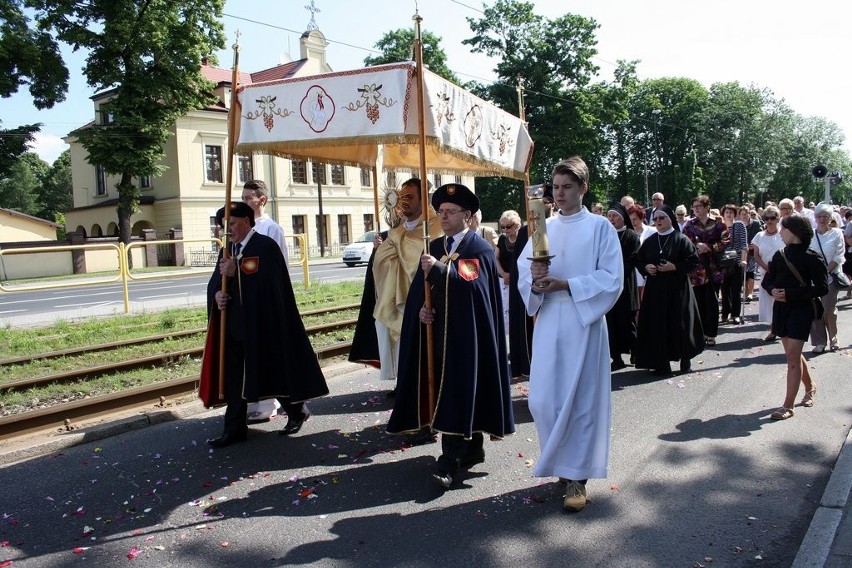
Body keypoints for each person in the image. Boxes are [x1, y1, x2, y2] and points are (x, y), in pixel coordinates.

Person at [387, 183, 515, 489]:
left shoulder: (477, 248)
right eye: (441, 211)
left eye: (450, 212)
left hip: (467, 337)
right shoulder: (433, 248)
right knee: (451, 393)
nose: (443, 216)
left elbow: (472, 285)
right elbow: (421, 291)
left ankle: (448, 461)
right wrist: (420, 311)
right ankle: (472, 449)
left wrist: (441, 272)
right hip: (439, 336)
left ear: (467, 215)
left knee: (459, 391)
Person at [517, 157, 623, 513]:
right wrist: (535, 277)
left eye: (567, 187)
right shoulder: (540, 228)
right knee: (543, 400)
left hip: (583, 321)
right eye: (556, 187)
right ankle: (563, 464)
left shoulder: (599, 228)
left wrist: (566, 284)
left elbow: (612, 278)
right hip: (549, 319)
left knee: (580, 401)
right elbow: (523, 279)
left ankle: (576, 478)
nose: (559, 193)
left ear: (583, 189)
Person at [200, 202, 329, 447]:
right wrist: (217, 294)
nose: (228, 231)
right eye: (224, 227)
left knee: (273, 370)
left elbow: (267, 285)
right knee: (234, 378)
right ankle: (234, 428)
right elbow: (215, 283)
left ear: (247, 222)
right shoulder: (227, 250)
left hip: (263, 325)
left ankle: (296, 411)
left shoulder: (265, 247)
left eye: (233, 224)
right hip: (235, 327)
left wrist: (235, 271)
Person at [371, 179, 442, 388]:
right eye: (402, 197)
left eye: (409, 197)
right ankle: (403, 383)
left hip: (421, 298)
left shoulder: (434, 226)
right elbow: (379, 264)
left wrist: (397, 245)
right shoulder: (396, 229)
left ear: (423, 199)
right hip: (393, 298)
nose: (404, 202)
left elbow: (418, 257)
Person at [761, 215, 828, 420]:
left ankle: (788, 406)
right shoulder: (780, 255)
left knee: (792, 356)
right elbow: (767, 281)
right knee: (793, 354)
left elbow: (822, 287)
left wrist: (791, 294)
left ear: (795, 232)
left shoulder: (812, 257)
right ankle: (810, 386)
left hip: (801, 310)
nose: (780, 232)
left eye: (783, 229)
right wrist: (773, 291)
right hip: (781, 310)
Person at [634, 205, 704, 375]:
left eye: (661, 218)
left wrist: (675, 267)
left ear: (670, 219)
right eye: (655, 219)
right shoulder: (650, 241)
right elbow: (638, 260)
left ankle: (685, 360)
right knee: (658, 324)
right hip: (656, 290)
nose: (657, 221)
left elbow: (694, 262)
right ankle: (661, 363)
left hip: (677, 290)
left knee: (680, 324)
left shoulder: (681, 239)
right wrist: (647, 268)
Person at [240, 179, 288, 422]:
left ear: (262, 200)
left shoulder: (271, 229)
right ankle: (253, 400)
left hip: (269, 298)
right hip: (249, 300)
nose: (245, 201)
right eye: (243, 198)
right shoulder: (241, 227)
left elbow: (280, 267)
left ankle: (270, 403)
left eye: (249, 197)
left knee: (269, 349)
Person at [682, 195, 729, 346]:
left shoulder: (718, 224)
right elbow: (684, 243)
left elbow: (726, 240)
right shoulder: (689, 225)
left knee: (712, 302)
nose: (696, 209)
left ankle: (711, 333)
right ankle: (700, 332)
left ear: (707, 207)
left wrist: (709, 247)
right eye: (694, 206)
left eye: (699, 206)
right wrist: (696, 247)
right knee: (699, 302)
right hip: (696, 270)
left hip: (714, 269)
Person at [604, 202, 640, 371]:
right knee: (611, 322)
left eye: (614, 216)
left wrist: (615, 273)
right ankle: (616, 357)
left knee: (628, 321)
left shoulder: (631, 236)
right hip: (608, 286)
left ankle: (635, 351)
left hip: (626, 284)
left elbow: (632, 259)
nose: (611, 219)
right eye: (609, 216)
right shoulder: (605, 235)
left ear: (622, 217)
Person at [809, 203, 845, 352]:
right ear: (815, 218)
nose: (822, 219)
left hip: (830, 276)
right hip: (812, 279)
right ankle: (819, 342)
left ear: (830, 218)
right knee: (816, 310)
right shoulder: (810, 234)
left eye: (825, 216)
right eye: (819, 216)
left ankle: (833, 338)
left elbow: (839, 256)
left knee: (829, 309)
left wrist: (825, 270)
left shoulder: (836, 233)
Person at [751, 206, 784, 341]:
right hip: (766, 274)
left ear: (778, 218)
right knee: (769, 302)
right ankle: (773, 329)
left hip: (782, 274)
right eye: (766, 218)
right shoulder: (759, 236)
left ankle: (782, 328)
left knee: (781, 301)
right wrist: (766, 268)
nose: (769, 220)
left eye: (772, 217)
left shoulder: (783, 234)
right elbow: (756, 256)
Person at [719, 204, 748, 325]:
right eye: (726, 212)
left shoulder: (739, 225)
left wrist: (743, 260)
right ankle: (725, 313)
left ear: (735, 214)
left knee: (736, 290)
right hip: (723, 263)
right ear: (723, 214)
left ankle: (735, 314)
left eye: (731, 212)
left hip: (736, 262)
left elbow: (744, 244)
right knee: (724, 290)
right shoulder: (719, 227)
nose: (729, 214)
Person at [495, 210, 522, 338]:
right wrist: (503, 274)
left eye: (509, 226)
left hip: (520, 280)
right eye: (503, 227)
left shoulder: (524, 238)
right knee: (505, 312)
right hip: (504, 281)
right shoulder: (501, 239)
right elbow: (495, 258)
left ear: (517, 225)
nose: (505, 229)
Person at [740, 205, 763, 303]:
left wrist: (755, 245)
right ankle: (745, 292)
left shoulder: (756, 224)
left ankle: (750, 292)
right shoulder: (738, 225)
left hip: (753, 252)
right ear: (740, 215)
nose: (744, 216)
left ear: (750, 214)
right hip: (742, 252)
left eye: (746, 214)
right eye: (742, 214)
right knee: (743, 273)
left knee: (751, 272)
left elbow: (761, 236)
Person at [843, 210, 852, 300]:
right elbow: (847, 237)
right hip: (851, 252)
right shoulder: (851, 224)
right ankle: (849, 292)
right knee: (849, 273)